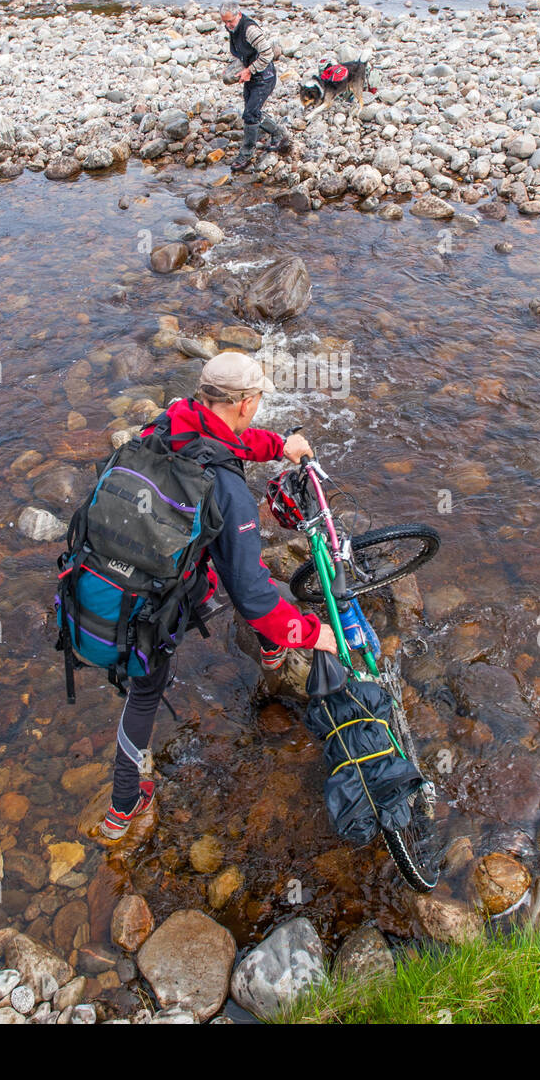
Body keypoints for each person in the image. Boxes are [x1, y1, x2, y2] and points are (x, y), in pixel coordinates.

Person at [100, 351, 339, 840]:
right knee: (251, 587)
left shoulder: (170, 421)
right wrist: (318, 637)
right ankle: (124, 803)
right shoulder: (229, 493)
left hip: (115, 577)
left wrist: (280, 447)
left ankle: (122, 807)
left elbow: (224, 443)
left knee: (146, 685)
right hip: (156, 604)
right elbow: (253, 597)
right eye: (257, 400)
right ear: (247, 403)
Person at [219, 1, 291, 171]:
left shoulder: (250, 30)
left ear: (239, 14)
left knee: (250, 114)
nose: (228, 26)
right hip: (251, 75)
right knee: (252, 112)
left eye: (230, 21)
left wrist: (250, 70)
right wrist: (234, 68)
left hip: (264, 77)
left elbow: (268, 53)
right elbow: (242, 53)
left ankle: (246, 153)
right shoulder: (233, 29)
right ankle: (279, 134)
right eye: (225, 22)